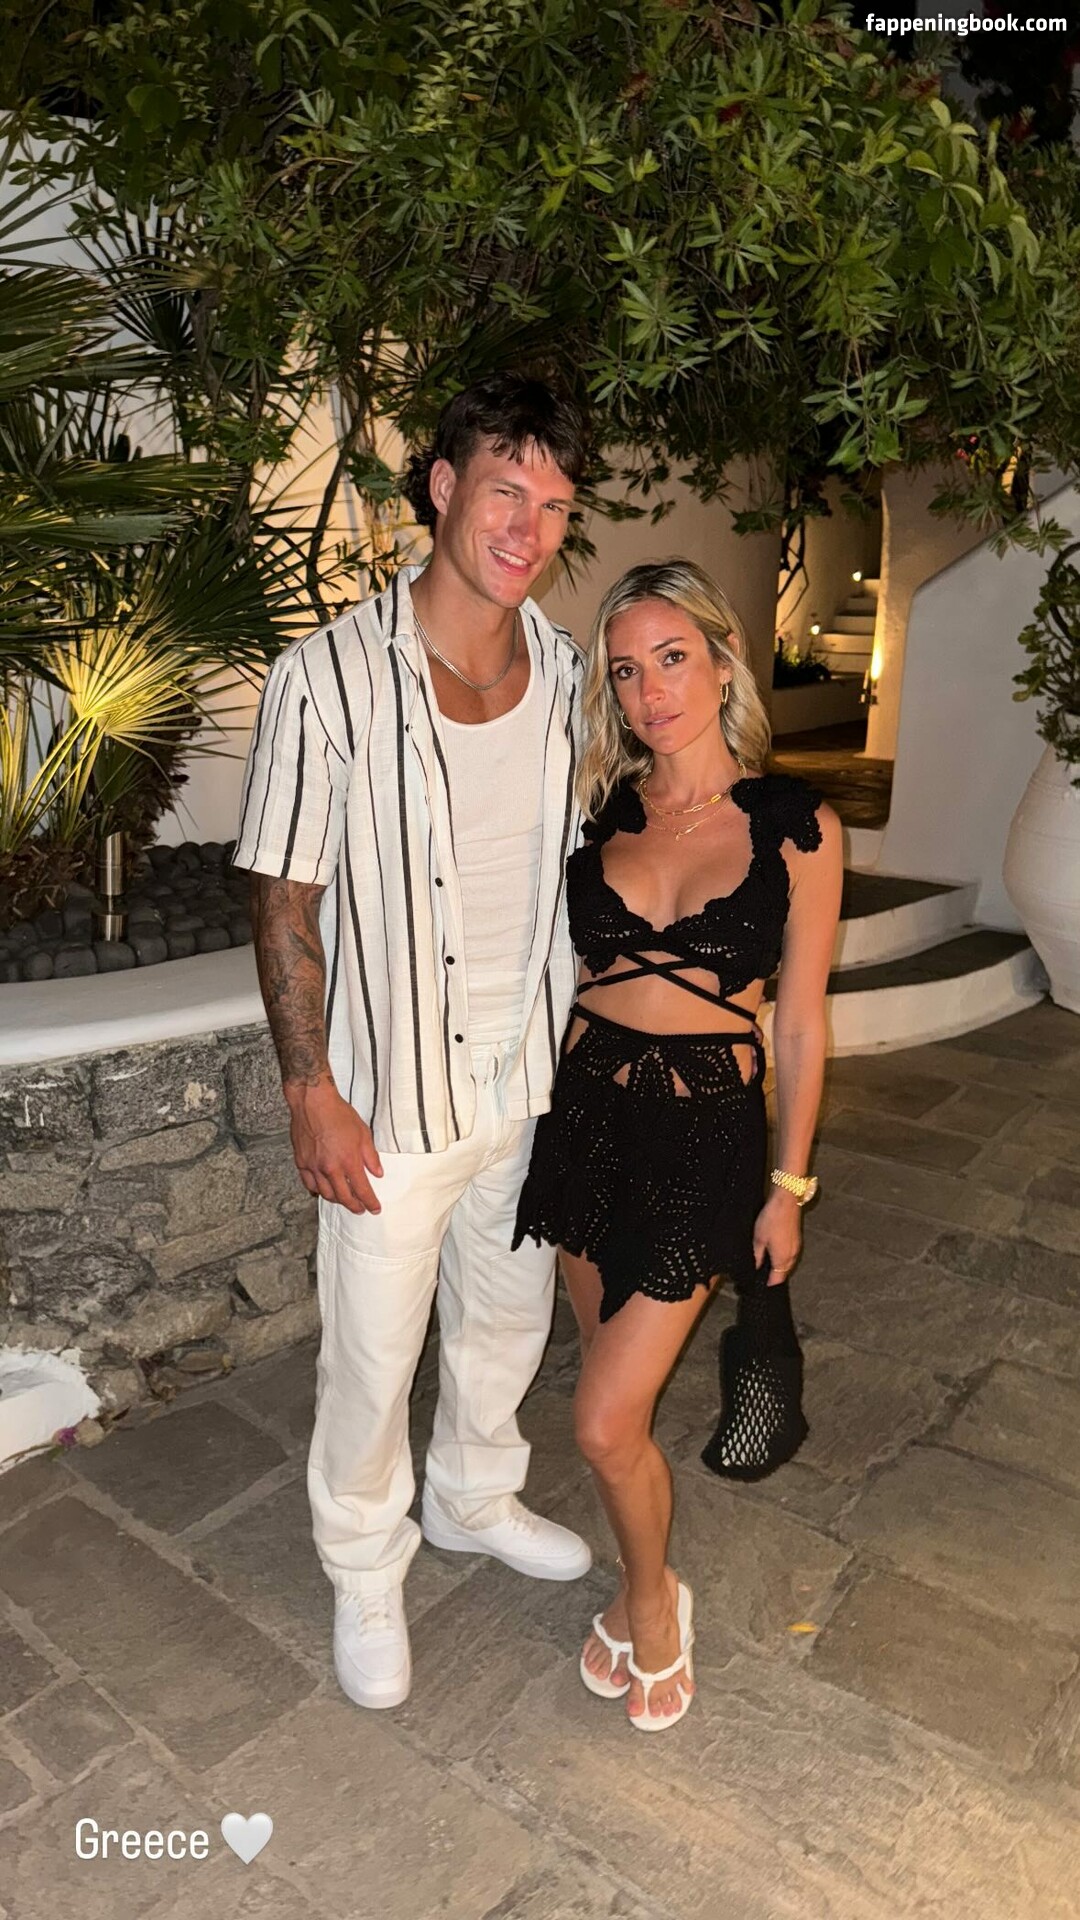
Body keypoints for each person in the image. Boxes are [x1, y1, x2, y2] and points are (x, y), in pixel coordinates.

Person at [232, 372, 593, 1711]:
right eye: (505, 490)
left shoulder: (566, 670)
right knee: (374, 1358)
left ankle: (473, 1496)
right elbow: (284, 895)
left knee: (506, 1319)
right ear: (442, 488)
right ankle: (363, 1563)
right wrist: (308, 1090)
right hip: (390, 1096)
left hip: (526, 1076)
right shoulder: (324, 679)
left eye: (553, 504)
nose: (527, 527)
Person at [514, 559, 843, 1732]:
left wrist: (789, 1184)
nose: (650, 691)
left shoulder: (795, 826)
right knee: (618, 1405)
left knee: (602, 1420)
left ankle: (654, 1603)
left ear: (720, 660)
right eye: (624, 671)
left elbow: (798, 1021)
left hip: (706, 1133)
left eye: (670, 658)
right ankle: (639, 1581)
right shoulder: (600, 813)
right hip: (586, 1121)